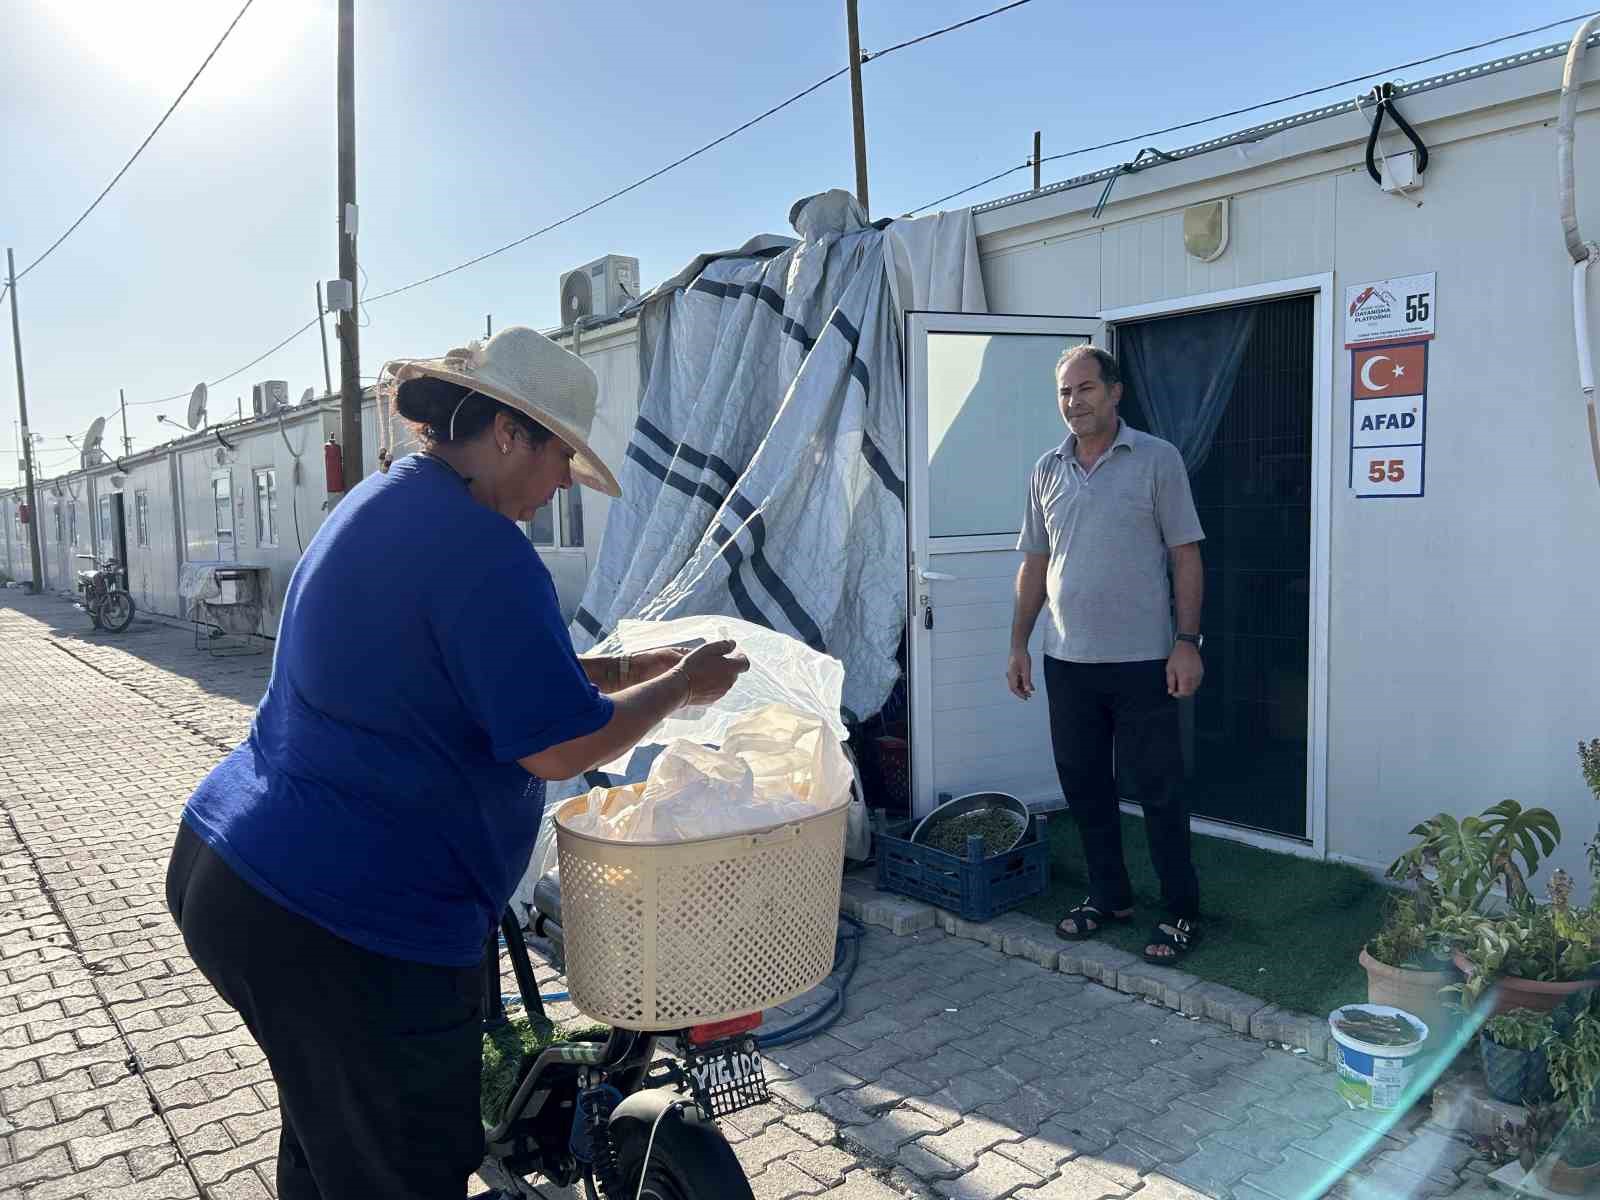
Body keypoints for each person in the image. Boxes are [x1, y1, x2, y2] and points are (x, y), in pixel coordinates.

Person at [165, 326, 750, 1200]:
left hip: (243, 876)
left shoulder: (392, 503)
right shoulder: (481, 547)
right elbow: (556, 745)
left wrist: (638, 673)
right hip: (346, 927)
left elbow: (475, 673)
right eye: (560, 459)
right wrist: (680, 687)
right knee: (401, 1169)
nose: (560, 486)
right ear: (510, 432)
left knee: (332, 1136)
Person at [1005, 344, 1206, 967]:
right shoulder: (1046, 468)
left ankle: (1179, 910)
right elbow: (1035, 564)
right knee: (1085, 787)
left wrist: (1187, 641)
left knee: (1158, 789)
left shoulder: (1156, 460)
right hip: (1068, 661)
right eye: (1065, 392)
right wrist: (1018, 641)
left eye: (1085, 388)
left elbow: (1186, 556)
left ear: (1114, 391)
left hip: (1145, 661)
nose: (1074, 402)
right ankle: (1109, 896)